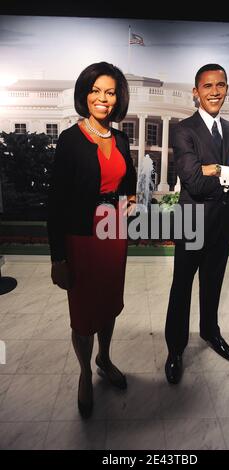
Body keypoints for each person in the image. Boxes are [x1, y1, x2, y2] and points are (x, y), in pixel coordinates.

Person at [47, 62, 137, 417]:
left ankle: (104, 359)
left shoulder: (120, 138)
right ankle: (85, 373)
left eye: (110, 92)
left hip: (113, 236)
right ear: (85, 94)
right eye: (96, 90)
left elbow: (126, 179)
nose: (103, 98)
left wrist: (129, 199)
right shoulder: (70, 139)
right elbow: (55, 202)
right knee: (83, 316)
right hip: (81, 240)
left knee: (109, 304)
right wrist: (58, 258)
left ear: (118, 98)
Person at [165, 64, 229, 384]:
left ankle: (210, 333)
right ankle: (175, 349)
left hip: (222, 224)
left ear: (227, 88)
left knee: (213, 284)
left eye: (220, 85)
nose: (215, 91)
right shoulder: (182, 129)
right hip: (191, 222)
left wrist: (218, 170)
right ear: (196, 92)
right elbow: (192, 181)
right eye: (207, 86)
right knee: (181, 289)